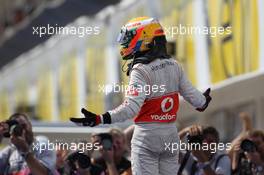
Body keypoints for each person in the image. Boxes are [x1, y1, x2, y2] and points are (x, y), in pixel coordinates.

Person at [70, 16, 211, 175]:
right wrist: (205, 99)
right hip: (170, 136)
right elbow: (198, 101)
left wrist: (100, 119)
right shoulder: (174, 65)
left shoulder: (140, 70)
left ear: (146, 38)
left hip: (146, 137)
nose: (125, 43)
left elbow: (131, 108)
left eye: (129, 38)